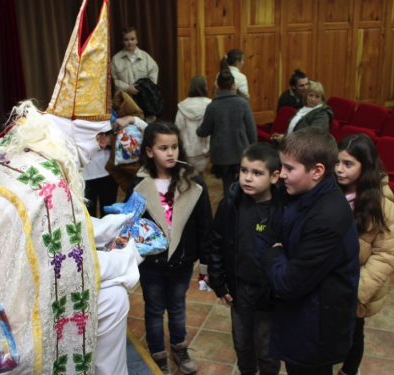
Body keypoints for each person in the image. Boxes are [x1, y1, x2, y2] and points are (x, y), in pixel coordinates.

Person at [0, 1, 143, 374]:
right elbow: (73, 270)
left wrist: (109, 227)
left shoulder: (19, 146)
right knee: (112, 297)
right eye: (102, 138)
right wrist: (132, 257)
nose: (105, 146)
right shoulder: (53, 183)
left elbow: (52, 235)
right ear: (89, 137)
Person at [257, 127, 360, 375]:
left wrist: (272, 255)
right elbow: (268, 233)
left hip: (316, 326)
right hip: (302, 317)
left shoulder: (328, 217)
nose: (281, 174)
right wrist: (277, 253)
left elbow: (288, 282)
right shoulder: (299, 194)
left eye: (290, 168)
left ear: (317, 171)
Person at [126, 122, 212, 374]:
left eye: (174, 147)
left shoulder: (193, 181)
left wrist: (206, 264)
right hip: (152, 262)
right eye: (163, 148)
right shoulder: (139, 183)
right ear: (150, 151)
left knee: (177, 305)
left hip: (182, 261)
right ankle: (157, 351)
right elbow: (130, 222)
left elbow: (205, 225)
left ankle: (178, 345)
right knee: (153, 308)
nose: (171, 153)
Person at [207, 142, 281, 375]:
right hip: (240, 289)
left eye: (257, 173)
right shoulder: (231, 204)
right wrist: (219, 283)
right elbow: (216, 243)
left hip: (270, 292)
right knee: (242, 343)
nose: (248, 178)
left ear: (275, 176)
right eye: (244, 170)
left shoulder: (284, 209)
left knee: (267, 348)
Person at [335, 134, 394, 375]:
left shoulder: (384, 206)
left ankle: (348, 371)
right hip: (327, 283)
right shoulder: (329, 192)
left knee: (354, 333)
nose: (339, 170)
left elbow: (386, 255)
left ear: (366, 166)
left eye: (348, 164)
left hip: (355, 289)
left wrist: (355, 292)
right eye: (337, 162)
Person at [197, 69, 257, 198]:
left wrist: (197, 129)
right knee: (245, 181)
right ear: (234, 86)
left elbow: (204, 131)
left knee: (227, 185)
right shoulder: (243, 104)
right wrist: (254, 150)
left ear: (217, 86)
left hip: (221, 152)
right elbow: (251, 131)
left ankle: (230, 211)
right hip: (242, 150)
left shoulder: (213, 106)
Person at [175, 75, 212, 173]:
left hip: (187, 151)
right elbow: (212, 128)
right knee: (200, 177)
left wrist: (180, 149)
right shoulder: (210, 105)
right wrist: (209, 148)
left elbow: (178, 129)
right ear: (205, 88)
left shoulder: (183, 106)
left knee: (189, 177)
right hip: (205, 151)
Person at [111, 26, 159, 97]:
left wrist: (144, 88)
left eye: (132, 39)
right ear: (122, 42)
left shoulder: (145, 57)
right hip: (124, 98)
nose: (130, 42)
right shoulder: (116, 59)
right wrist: (126, 88)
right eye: (126, 40)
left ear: (137, 40)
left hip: (143, 98)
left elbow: (153, 73)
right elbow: (113, 80)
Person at [83, 133, 118, 217]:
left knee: (109, 215)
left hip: (108, 170)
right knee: (88, 217)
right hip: (83, 173)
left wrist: (111, 140)